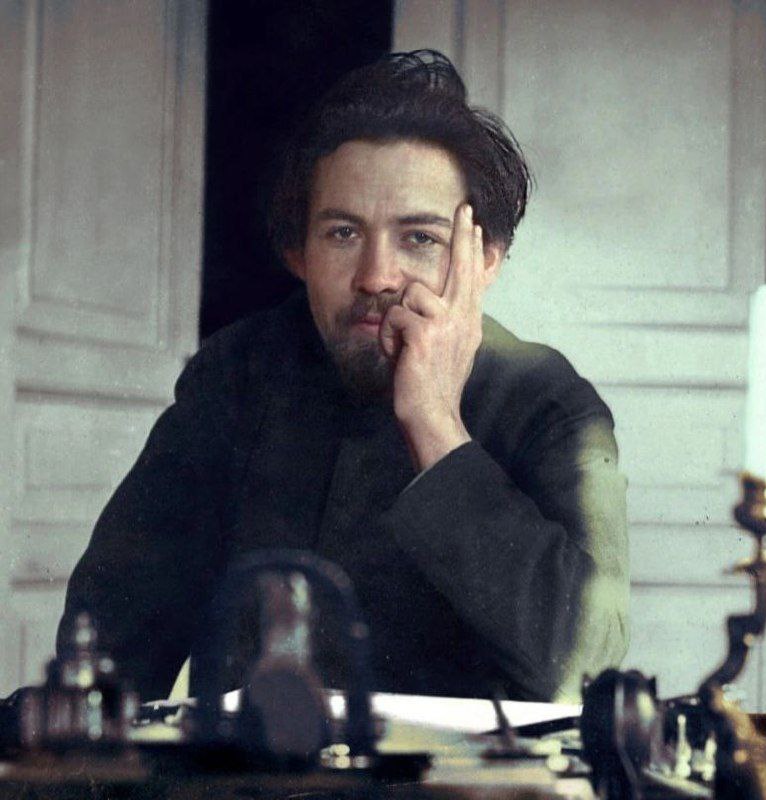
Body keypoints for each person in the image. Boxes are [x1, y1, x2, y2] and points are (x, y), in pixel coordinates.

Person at [56, 50, 629, 703]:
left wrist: (437, 428)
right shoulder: (237, 374)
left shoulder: (547, 398)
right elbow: (112, 628)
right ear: (298, 253)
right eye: (342, 234)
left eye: (419, 238)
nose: (376, 276)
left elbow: (585, 662)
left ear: (486, 259)